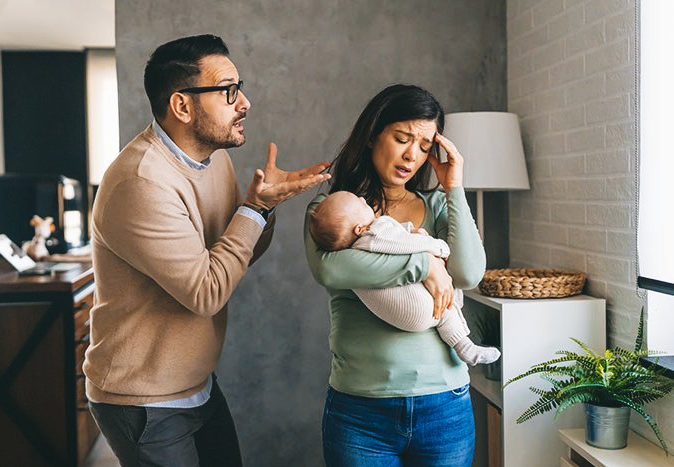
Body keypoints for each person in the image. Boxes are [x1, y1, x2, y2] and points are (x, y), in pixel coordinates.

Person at [83, 34, 330, 467]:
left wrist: (262, 211)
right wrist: (255, 208)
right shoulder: (141, 181)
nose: (245, 102)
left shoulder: (214, 157)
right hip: (144, 399)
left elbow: (237, 254)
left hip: (196, 383)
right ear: (182, 106)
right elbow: (207, 292)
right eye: (229, 91)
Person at [304, 84, 486, 466]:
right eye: (402, 138)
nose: (411, 155)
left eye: (423, 146)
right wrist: (426, 264)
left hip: (445, 407)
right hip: (361, 411)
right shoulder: (334, 209)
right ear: (372, 135)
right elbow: (330, 268)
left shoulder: (437, 205)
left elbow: (468, 273)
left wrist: (453, 187)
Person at [308, 190, 500, 366]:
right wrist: (435, 249)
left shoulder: (357, 248)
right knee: (446, 304)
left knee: (444, 307)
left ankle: (465, 347)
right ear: (359, 229)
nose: (361, 198)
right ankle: (463, 345)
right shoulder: (372, 233)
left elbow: (396, 234)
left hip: (407, 317)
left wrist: (412, 230)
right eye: (360, 204)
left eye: (423, 149)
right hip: (415, 308)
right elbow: (401, 243)